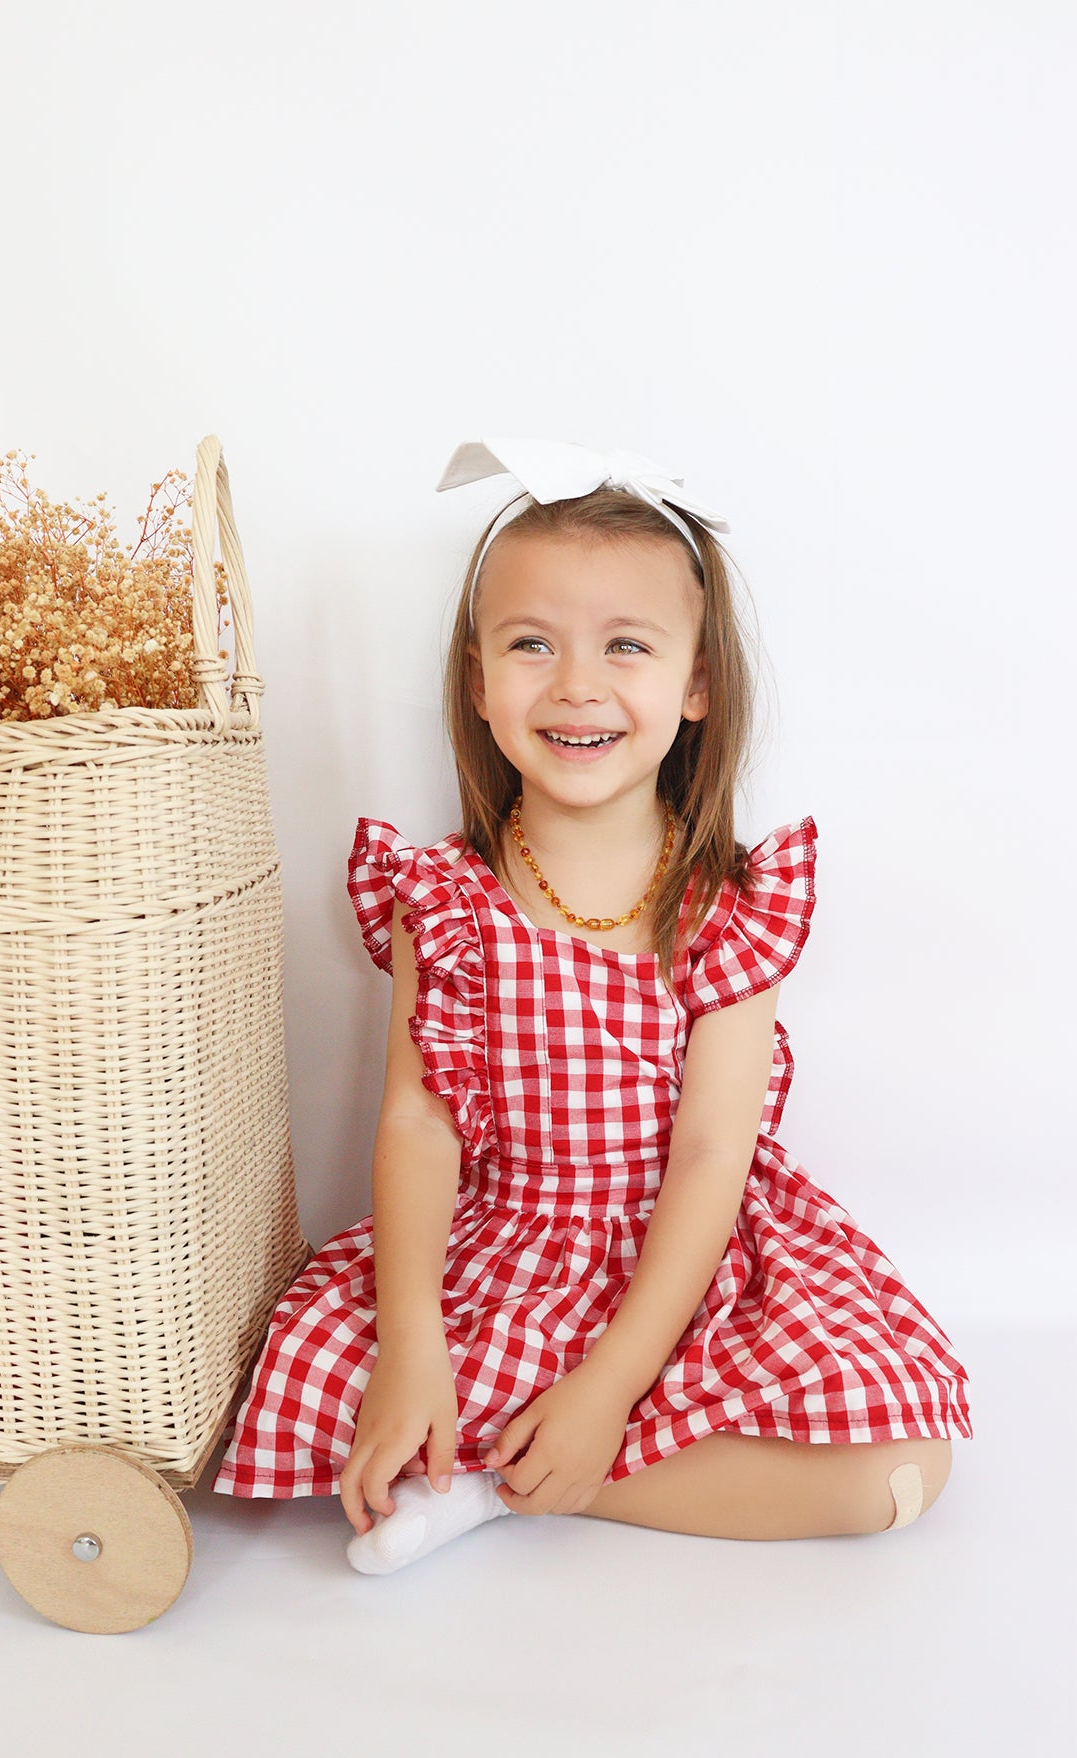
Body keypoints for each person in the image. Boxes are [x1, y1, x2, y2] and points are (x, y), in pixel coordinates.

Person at [213, 437, 972, 1574]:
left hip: (689, 1259)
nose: (576, 684)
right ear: (478, 678)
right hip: (505, 1250)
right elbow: (419, 1125)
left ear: (698, 681)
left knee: (899, 1471)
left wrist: (611, 1390)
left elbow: (715, 1154)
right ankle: (479, 1441)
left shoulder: (728, 906)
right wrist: (414, 1349)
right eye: (532, 645)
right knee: (309, 1367)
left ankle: (507, 1483)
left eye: (626, 646)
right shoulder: (447, 901)